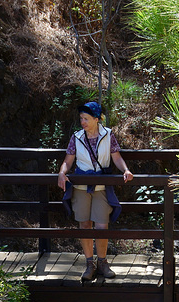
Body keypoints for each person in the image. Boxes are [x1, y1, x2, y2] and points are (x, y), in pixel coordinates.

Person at [57, 101, 134, 282]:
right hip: (81, 186)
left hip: (101, 186)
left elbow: (116, 157)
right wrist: (62, 173)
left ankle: (103, 262)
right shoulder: (77, 137)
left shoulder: (108, 135)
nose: (82, 122)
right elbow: (68, 160)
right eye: (81, 118)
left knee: (101, 225)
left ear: (97, 119)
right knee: (84, 224)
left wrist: (126, 170)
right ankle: (89, 263)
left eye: (86, 118)